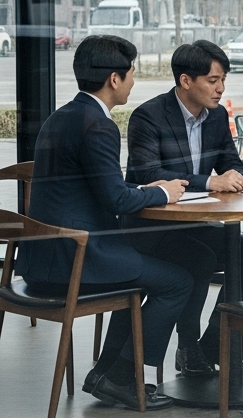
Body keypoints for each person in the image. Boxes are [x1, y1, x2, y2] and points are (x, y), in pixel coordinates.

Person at [16, 35, 190, 410]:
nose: (133, 82)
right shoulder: (99, 125)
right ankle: (121, 377)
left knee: (148, 266)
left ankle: (107, 375)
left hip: (40, 258)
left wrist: (147, 187)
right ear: (114, 78)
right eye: (131, 74)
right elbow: (114, 199)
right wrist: (163, 194)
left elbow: (100, 186)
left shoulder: (60, 117)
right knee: (178, 281)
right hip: (75, 260)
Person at [124, 41, 243, 377]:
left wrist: (236, 175)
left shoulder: (216, 116)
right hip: (149, 225)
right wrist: (208, 182)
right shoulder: (148, 116)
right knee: (197, 258)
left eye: (223, 80)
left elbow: (232, 160)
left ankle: (212, 346)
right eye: (213, 80)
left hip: (193, 222)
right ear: (186, 81)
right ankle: (187, 349)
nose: (220, 88)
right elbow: (147, 174)